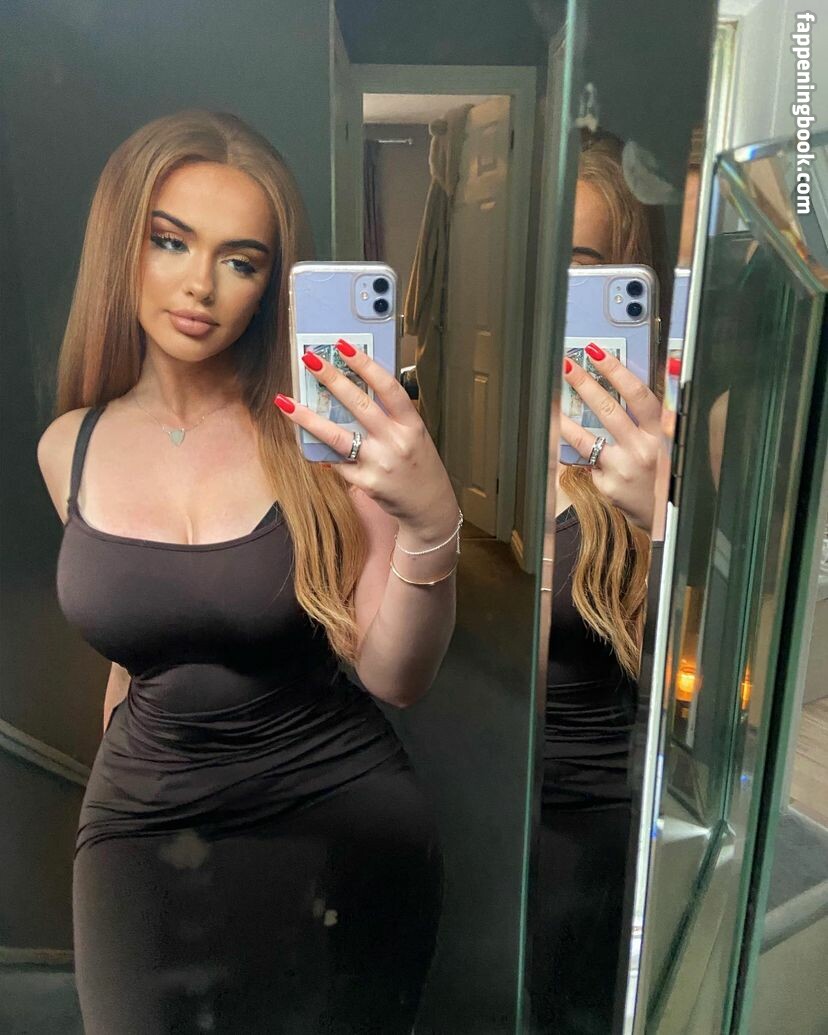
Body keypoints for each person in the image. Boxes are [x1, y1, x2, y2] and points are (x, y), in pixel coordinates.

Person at [36, 110, 461, 1035]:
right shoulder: (69, 446)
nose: (201, 285)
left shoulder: (318, 436)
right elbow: (136, 650)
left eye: (241, 260)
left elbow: (396, 674)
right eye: (170, 241)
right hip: (141, 826)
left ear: (271, 283)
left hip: (336, 811)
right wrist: (122, 777)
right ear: (122, 243)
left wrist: (430, 523)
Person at [528, 131, 666, 1033]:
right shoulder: (457, 409)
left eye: (579, 271)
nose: (550, 295)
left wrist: (660, 515)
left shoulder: (658, 440)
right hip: (464, 785)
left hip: (583, 818)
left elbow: (705, 683)